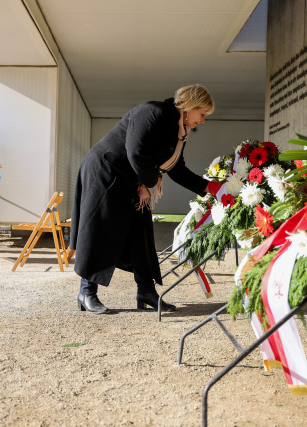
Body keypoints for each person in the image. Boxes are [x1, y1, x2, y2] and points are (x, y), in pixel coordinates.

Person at [70, 84, 214, 314]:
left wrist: (209, 188)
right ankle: (86, 292)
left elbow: (177, 169)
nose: (203, 120)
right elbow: (135, 151)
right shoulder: (153, 112)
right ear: (190, 107)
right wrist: (149, 181)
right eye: (203, 114)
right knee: (101, 227)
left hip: (134, 179)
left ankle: (146, 291)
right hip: (105, 170)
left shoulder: (179, 130)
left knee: (141, 232)